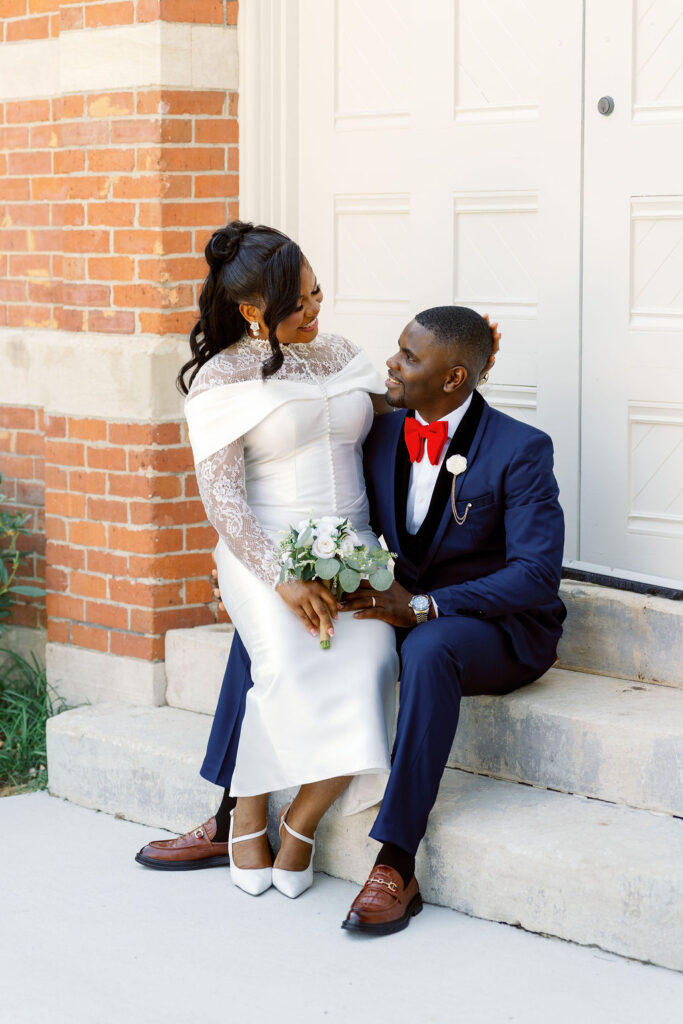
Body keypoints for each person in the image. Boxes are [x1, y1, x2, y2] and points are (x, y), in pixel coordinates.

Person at [138, 297, 564, 934]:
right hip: (392, 598)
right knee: (273, 617)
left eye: (408, 357)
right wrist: (245, 566)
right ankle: (229, 814)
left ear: (454, 378)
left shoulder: (520, 449)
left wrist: (423, 607)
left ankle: (395, 862)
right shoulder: (381, 430)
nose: (389, 363)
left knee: (429, 649)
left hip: (495, 626)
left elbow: (535, 576)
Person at [140, 220, 404, 898]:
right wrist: (280, 577)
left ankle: (303, 821)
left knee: (373, 665)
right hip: (264, 547)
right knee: (285, 665)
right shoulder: (222, 377)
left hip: (354, 550)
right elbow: (222, 498)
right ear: (252, 310)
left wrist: (469, 359)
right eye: (297, 303)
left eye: (317, 293)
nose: (315, 310)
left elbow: (412, 407)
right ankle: (247, 812)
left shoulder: (341, 353)